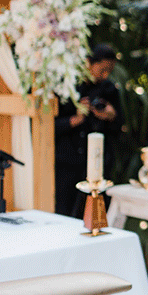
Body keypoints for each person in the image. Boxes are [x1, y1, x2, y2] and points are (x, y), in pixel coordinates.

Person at [54, 43, 124, 217]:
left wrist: (111, 116)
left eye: (110, 71)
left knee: (96, 215)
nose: (105, 75)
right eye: (102, 69)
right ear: (88, 63)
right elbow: (49, 127)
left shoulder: (109, 89)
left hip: (98, 163)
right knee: (65, 213)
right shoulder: (67, 86)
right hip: (67, 163)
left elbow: (120, 130)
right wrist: (75, 119)